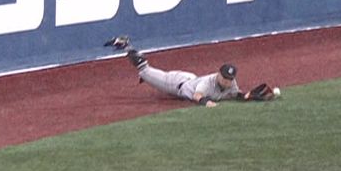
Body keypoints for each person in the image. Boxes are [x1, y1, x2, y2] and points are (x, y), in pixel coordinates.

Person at [106, 36, 279, 107]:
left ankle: (144, 71)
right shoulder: (209, 81)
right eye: (225, 77)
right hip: (176, 83)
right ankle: (125, 45)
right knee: (144, 69)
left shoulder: (231, 83)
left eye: (229, 78)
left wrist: (248, 96)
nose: (227, 81)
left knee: (148, 73)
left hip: (189, 79)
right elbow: (197, 96)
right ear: (219, 74)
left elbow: (236, 94)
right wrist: (207, 103)